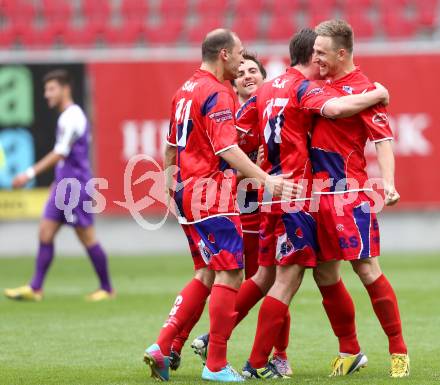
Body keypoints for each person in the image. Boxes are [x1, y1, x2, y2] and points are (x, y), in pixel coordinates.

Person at [143, 28, 300, 383]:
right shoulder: (217, 93)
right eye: (240, 54)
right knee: (232, 273)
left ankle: (163, 345)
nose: (244, 60)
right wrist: (267, 179)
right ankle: (215, 364)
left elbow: (170, 147)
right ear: (224, 54)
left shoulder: (183, 90)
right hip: (210, 191)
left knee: (205, 273)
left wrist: (171, 186)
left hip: (186, 189)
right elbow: (226, 150)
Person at [234, 28, 390, 379]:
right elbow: (334, 108)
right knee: (285, 280)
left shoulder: (266, 89)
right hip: (298, 196)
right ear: (312, 59)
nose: (324, 63)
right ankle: (254, 362)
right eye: (319, 55)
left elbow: (233, 137)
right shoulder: (304, 88)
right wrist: (376, 92)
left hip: (273, 195)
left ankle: (346, 350)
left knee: (300, 274)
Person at [311, 19, 409, 378]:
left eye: (321, 52)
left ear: (341, 52)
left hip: (348, 193)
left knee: (366, 268)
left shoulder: (364, 88)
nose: (315, 57)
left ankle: (398, 350)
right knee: (323, 273)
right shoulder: (316, 85)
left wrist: (389, 182)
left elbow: (383, 140)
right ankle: (349, 349)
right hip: (313, 195)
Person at [4, 69, 114, 302]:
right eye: (46, 89)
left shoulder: (72, 117)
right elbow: (68, 155)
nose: (46, 94)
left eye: (51, 89)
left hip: (74, 188)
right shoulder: (66, 117)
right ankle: (35, 288)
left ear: (66, 89)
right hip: (62, 185)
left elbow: (60, 152)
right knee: (45, 232)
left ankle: (107, 288)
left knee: (87, 237)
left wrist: (29, 173)